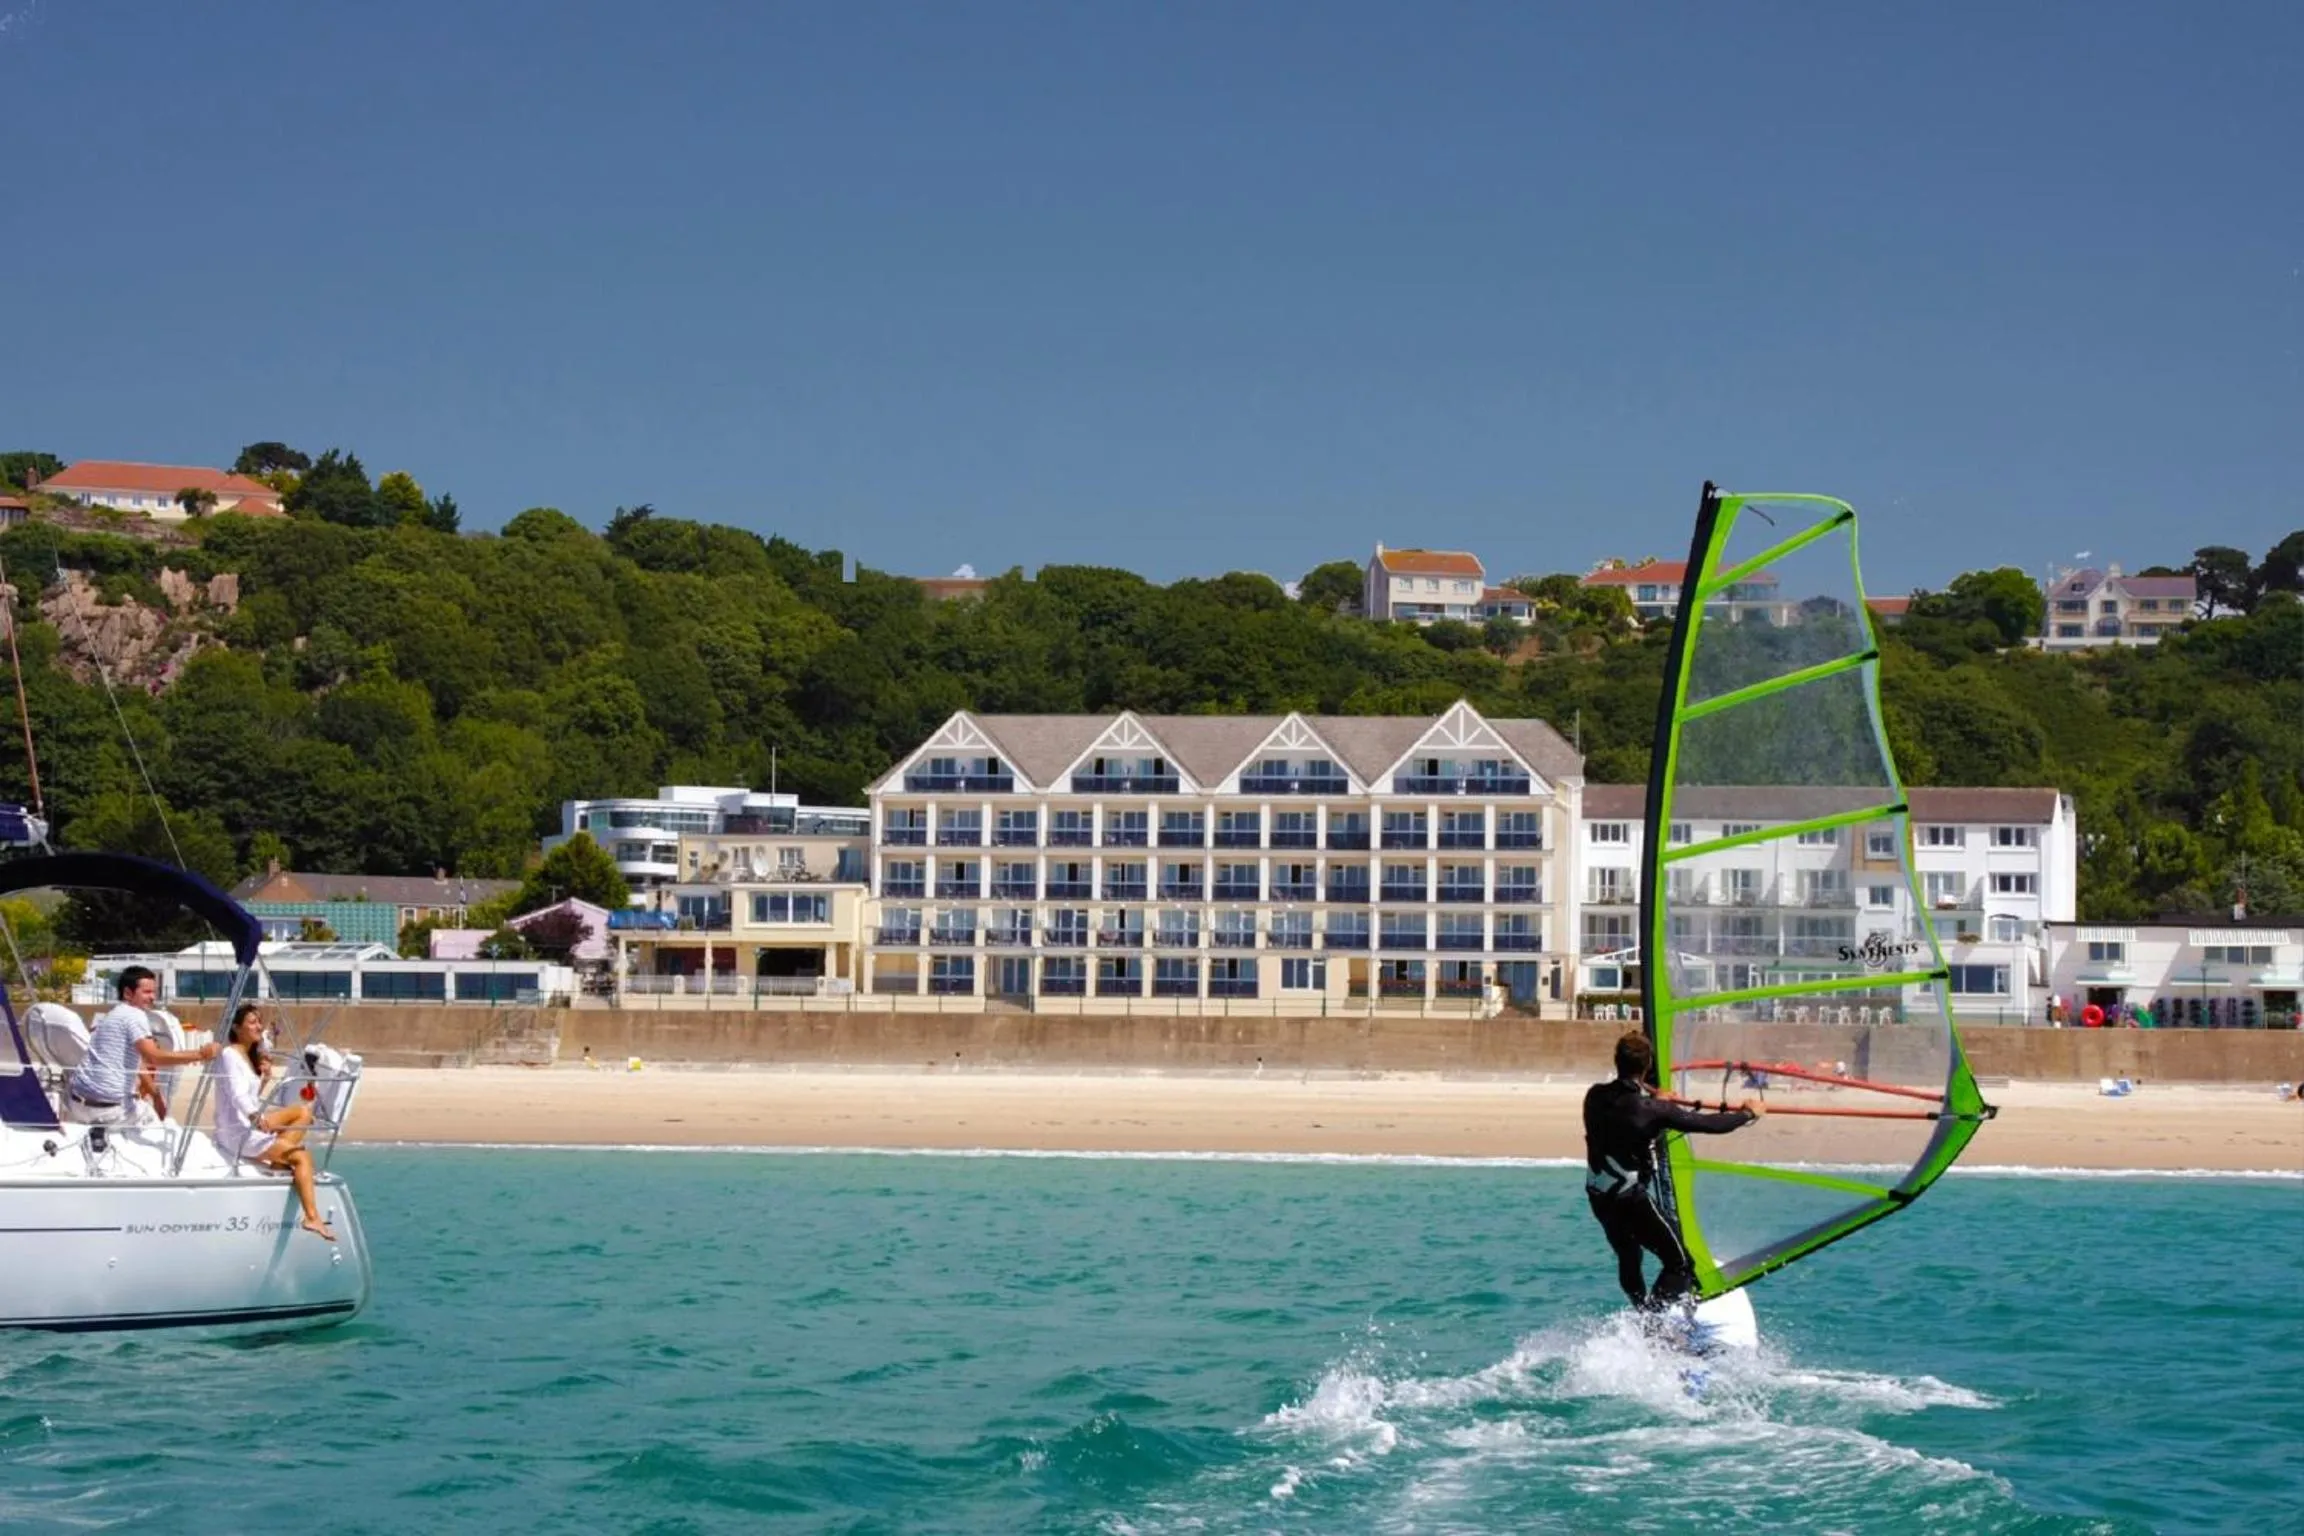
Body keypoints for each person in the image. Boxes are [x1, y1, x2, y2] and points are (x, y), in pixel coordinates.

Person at [1584, 1030, 1765, 1313]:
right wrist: (1748, 1113)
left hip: (1599, 1195)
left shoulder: (1594, 1096)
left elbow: (1625, 1115)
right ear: (1648, 1066)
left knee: (1629, 1256)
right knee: (1679, 1264)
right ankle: (1652, 1327)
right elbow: (1708, 1124)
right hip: (1631, 1201)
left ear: (1616, 1060)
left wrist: (1659, 1105)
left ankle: (1642, 1314)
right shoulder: (1650, 1110)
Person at [212, 1003, 335, 1242]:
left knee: (303, 1113)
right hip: (237, 1132)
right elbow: (237, 1095)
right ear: (237, 1028)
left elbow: (246, 1095)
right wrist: (254, 1116)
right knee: (302, 1157)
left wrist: (264, 1080)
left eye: (259, 1021)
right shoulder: (229, 1055)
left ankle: (278, 1163)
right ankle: (312, 1216)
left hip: (248, 1121)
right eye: (252, 1022)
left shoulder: (247, 1056)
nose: (258, 1026)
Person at [62, 966, 219, 1125]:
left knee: (145, 1107)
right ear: (128, 993)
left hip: (77, 1104)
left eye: (154, 992)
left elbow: (138, 1063)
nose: (152, 997)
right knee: (159, 1125)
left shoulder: (111, 1016)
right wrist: (201, 1055)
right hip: (109, 1110)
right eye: (147, 992)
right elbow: (153, 1057)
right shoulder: (135, 1015)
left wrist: (155, 1094)